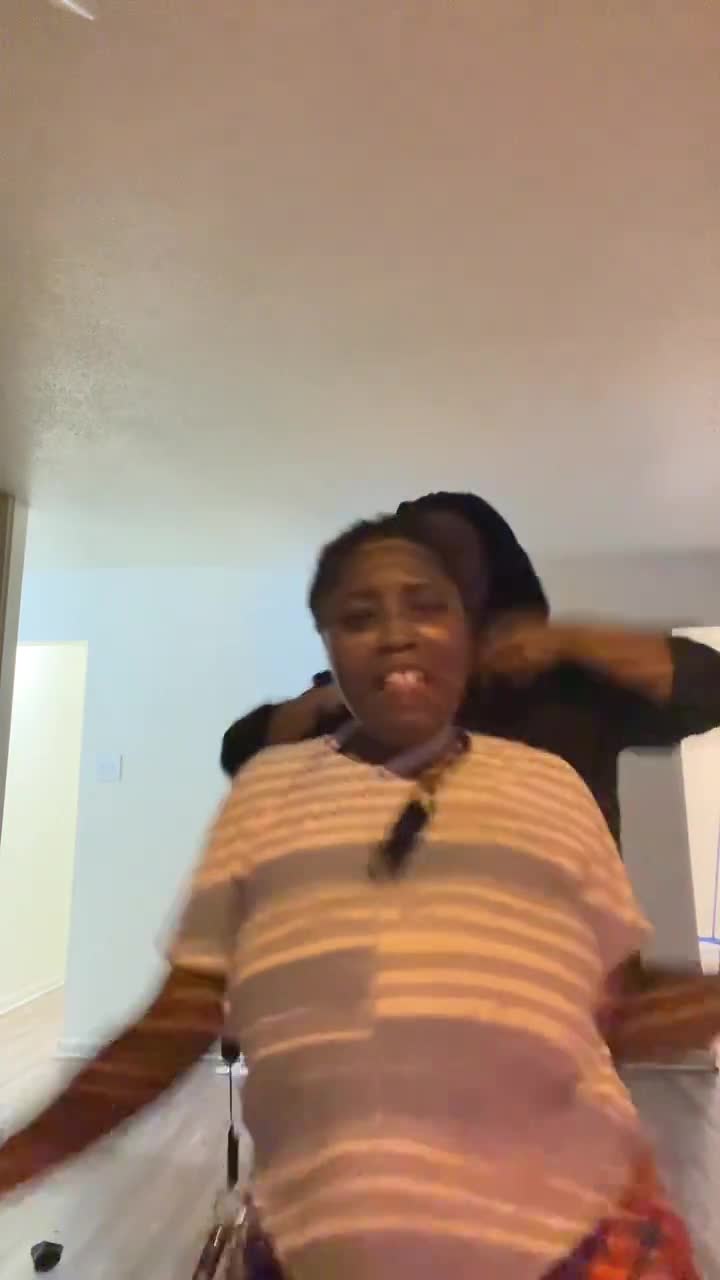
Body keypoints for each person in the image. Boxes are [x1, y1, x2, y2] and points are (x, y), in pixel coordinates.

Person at [0, 512, 708, 1279]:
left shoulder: (551, 782)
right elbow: (179, 1019)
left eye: (428, 606)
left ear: (471, 634)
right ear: (329, 646)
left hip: (581, 1245)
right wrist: (21, 1158)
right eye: (360, 616)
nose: (397, 634)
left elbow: (612, 1012)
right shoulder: (271, 789)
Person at [221, 491, 720, 848]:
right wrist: (342, 695)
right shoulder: (359, 694)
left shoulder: (563, 684)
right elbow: (244, 754)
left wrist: (570, 640)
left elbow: (709, 688)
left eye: (452, 555)